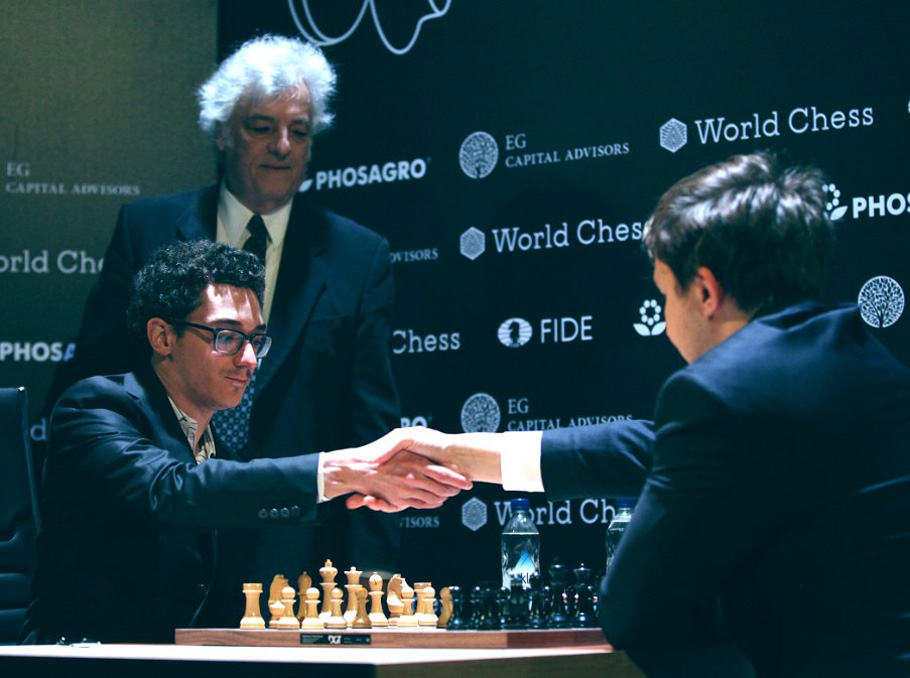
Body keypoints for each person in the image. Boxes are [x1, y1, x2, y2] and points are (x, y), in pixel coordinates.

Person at [363, 153, 910, 677]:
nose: (666, 323)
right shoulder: (868, 364)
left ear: (705, 292)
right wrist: (456, 453)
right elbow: (643, 448)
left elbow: (631, 610)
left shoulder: (720, 391)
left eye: (665, 295)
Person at [47, 35, 402, 580]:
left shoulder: (360, 256)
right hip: (155, 539)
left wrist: (371, 580)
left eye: (299, 130)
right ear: (221, 133)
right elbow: (99, 377)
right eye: (262, 127)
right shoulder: (145, 229)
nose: (283, 145)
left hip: (291, 552)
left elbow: (369, 419)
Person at [19, 240, 469, 644]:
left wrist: (361, 488)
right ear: (162, 335)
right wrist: (338, 470)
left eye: (256, 339)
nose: (249, 359)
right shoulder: (97, 408)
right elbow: (172, 492)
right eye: (227, 337)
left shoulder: (221, 452)